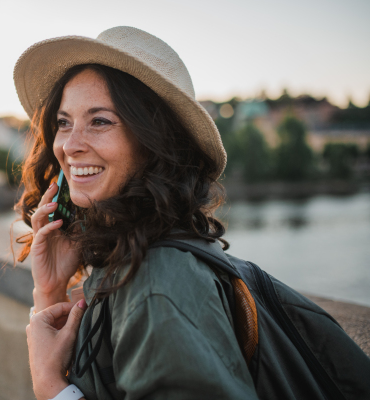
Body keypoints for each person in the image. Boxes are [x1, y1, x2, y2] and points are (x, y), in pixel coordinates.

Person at [15, 26, 258, 400]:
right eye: (64, 122)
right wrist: (50, 291)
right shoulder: (132, 259)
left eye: (99, 121)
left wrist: (51, 388)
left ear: (154, 142)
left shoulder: (159, 284)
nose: (69, 146)